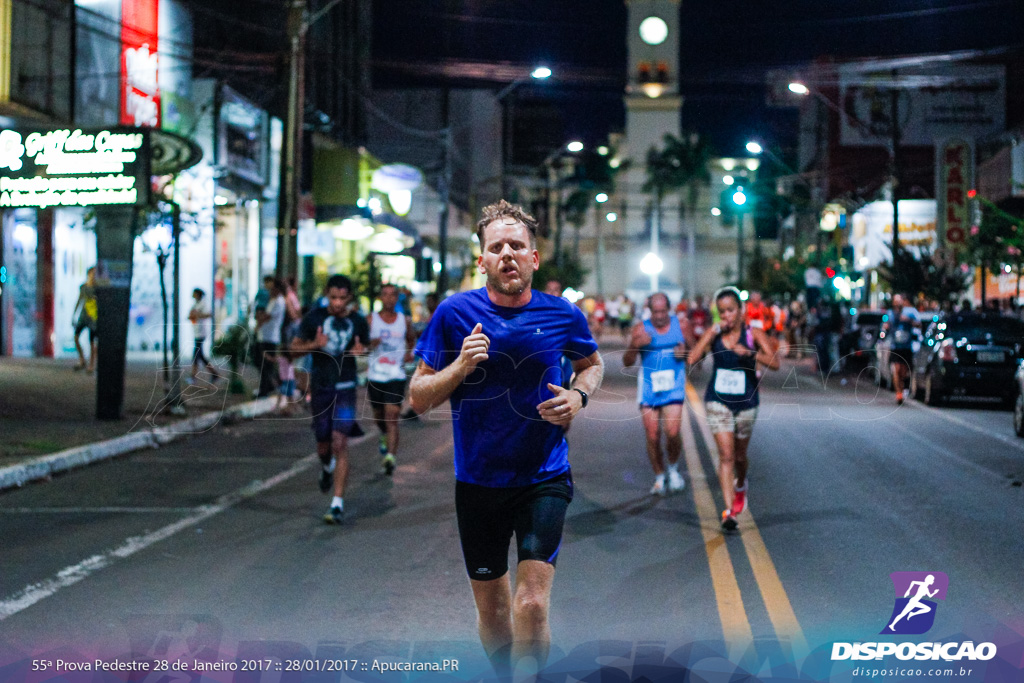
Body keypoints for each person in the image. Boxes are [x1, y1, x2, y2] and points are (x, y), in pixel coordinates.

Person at [409, 200, 603, 677]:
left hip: (544, 477)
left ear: (534, 258)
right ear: (482, 261)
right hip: (478, 482)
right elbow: (417, 397)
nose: (507, 255)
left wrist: (579, 396)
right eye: (496, 248)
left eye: (517, 246)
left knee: (532, 604)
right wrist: (460, 365)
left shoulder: (563, 314)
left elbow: (592, 365)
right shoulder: (454, 314)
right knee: (494, 613)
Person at [688, 287, 779, 532]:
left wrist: (751, 354)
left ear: (741, 310)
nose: (726, 316)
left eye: (730, 310)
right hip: (718, 401)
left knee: (739, 456)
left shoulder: (754, 333)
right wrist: (708, 334)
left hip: (747, 402)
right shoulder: (715, 334)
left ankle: (741, 486)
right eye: (721, 312)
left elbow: (776, 363)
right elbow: (692, 359)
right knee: (726, 455)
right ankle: (729, 511)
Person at [291, 274, 369, 524]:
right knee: (323, 444)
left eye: (342, 298)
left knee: (339, 442)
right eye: (333, 297)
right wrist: (315, 344)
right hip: (321, 388)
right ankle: (326, 468)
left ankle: (337, 504)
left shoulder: (357, 321)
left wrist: (362, 351)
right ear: (327, 295)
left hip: (345, 389)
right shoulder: (314, 318)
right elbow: (293, 349)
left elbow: (366, 346)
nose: (337, 303)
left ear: (350, 298)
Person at [623, 292, 695, 496]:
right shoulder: (640, 329)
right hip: (649, 389)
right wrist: (635, 345)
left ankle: (672, 469)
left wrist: (687, 355)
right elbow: (627, 362)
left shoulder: (681, 326)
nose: (660, 316)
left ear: (669, 309)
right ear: (649, 311)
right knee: (653, 436)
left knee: (672, 433)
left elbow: (699, 353)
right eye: (656, 312)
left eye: (664, 311)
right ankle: (659, 475)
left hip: (674, 387)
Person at [366, 283, 416, 475]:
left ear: (396, 299)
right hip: (376, 375)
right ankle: (384, 435)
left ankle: (390, 458)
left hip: (396, 374)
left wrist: (409, 353)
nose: (388, 298)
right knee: (379, 418)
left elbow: (411, 339)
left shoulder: (404, 320)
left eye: (392, 295)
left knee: (392, 416)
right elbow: (361, 344)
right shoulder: (371, 320)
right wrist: (372, 343)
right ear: (380, 298)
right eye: (385, 295)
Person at [884, 293, 921, 404]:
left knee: (903, 370)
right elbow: (885, 325)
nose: (897, 303)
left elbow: (919, 324)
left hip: (906, 345)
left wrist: (908, 321)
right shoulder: (890, 313)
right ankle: (899, 393)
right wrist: (886, 326)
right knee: (896, 369)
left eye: (899, 301)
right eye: (895, 301)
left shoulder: (910, 312)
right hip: (895, 345)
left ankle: (903, 386)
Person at [254, 278, 286, 398]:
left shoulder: (278, 301)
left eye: (272, 288)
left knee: (265, 364)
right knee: (262, 362)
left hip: (270, 337)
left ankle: (266, 389)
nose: (269, 290)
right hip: (265, 335)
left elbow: (266, 316)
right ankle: (269, 386)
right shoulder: (273, 300)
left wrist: (258, 321)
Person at [188, 288, 220, 383]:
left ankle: (193, 376)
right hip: (196, 331)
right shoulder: (195, 304)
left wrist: (198, 315)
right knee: (200, 356)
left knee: (196, 355)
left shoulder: (203, 304)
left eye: (194, 293)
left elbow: (209, 314)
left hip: (201, 333)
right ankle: (214, 374)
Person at [72, 266, 99, 373]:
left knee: (92, 342)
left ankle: (91, 365)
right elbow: (79, 300)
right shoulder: (83, 287)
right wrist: (74, 314)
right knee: (76, 337)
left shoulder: (98, 289)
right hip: (84, 316)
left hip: (94, 318)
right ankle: (82, 359)